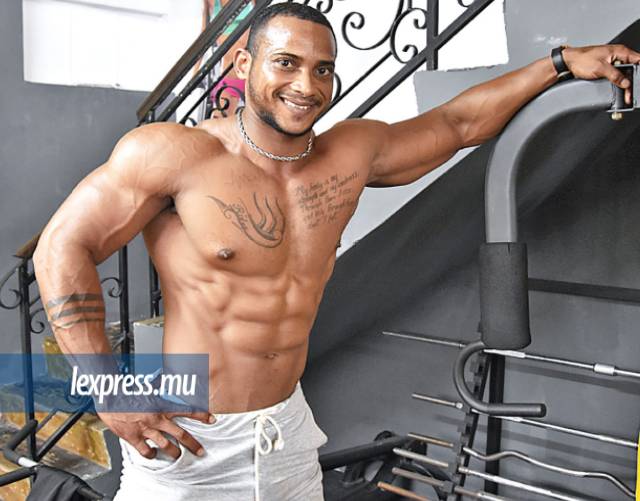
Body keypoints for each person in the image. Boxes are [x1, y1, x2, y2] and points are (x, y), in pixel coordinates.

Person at [32, 3, 640, 501]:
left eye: (322, 70)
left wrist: (558, 63)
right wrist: (108, 390)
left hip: (288, 434)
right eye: (286, 63)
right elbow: (62, 246)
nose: (306, 86)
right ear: (244, 64)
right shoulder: (174, 154)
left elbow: (458, 124)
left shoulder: (350, 154)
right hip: (192, 442)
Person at [193, 0, 256, 117]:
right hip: (230, 76)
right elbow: (203, 35)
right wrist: (194, 73)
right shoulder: (210, 2)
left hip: (252, 74)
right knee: (219, 120)